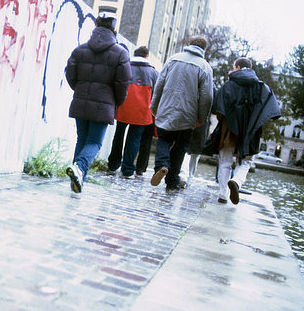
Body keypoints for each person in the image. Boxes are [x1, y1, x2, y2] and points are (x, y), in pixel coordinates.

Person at [65, 13, 132, 193]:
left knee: (82, 139)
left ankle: (79, 178)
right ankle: (79, 168)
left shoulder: (80, 50)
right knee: (95, 142)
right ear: (114, 28)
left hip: (80, 102)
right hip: (104, 105)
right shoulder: (121, 53)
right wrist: (115, 101)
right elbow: (123, 84)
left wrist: (80, 90)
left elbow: (70, 74)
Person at [208, 57, 281, 204]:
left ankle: (223, 194)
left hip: (229, 128)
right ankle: (237, 181)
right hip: (250, 130)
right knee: (246, 161)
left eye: (234, 67)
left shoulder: (229, 85)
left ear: (238, 67)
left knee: (225, 161)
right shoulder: (261, 87)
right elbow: (270, 108)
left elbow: (218, 107)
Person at [149, 36, 213, 191]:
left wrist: (154, 105)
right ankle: (172, 182)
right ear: (204, 49)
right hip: (188, 114)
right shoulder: (205, 67)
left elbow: (159, 84)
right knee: (181, 146)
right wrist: (202, 117)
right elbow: (207, 97)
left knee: (163, 139)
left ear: (189, 44)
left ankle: (162, 165)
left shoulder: (173, 59)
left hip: (167, 108)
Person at [107, 46, 159, 178]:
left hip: (124, 106)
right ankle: (127, 169)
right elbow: (157, 93)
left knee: (119, 135)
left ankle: (113, 164)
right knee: (134, 139)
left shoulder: (125, 67)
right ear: (147, 56)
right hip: (142, 111)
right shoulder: (153, 72)